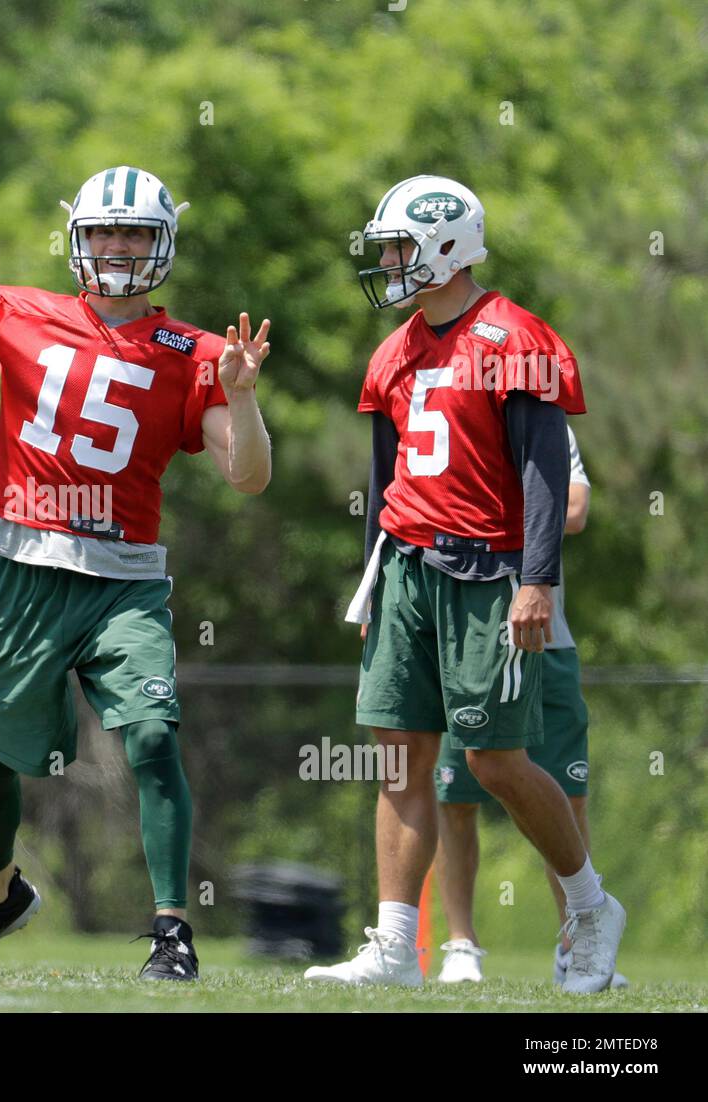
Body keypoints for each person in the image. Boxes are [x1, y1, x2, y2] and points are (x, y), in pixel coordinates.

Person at [0, 164, 272, 979]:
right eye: (103, 232)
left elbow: (249, 476)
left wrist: (240, 396)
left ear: (164, 245)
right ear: (76, 240)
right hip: (22, 562)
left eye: (134, 233)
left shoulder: (195, 350)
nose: (118, 248)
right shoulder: (25, 312)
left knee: (155, 735)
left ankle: (172, 931)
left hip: (122, 575)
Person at [305, 175, 625, 994]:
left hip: (488, 568)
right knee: (400, 759)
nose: (387, 261)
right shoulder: (395, 352)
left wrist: (539, 580)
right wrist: (373, 585)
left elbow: (544, 467)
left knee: (494, 759)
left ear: (446, 244)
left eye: (399, 246)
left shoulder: (513, 336)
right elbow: (383, 489)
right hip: (408, 566)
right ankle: (394, 944)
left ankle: (589, 907)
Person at [434, 426, 626, 987]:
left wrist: (492, 522)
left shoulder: (547, 422)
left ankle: (578, 945)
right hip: (462, 633)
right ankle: (461, 945)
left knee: (567, 796)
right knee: (457, 793)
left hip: (548, 636)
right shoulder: (450, 408)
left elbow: (574, 509)